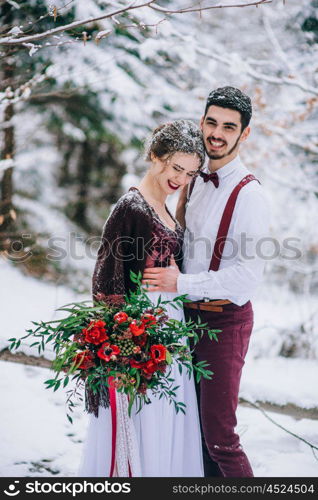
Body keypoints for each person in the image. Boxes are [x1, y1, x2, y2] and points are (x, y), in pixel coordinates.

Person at [142, 87, 270, 477]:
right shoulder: (192, 177)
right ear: (202, 122)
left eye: (229, 127)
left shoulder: (250, 195)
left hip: (224, 322)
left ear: (243, 135)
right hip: (184, 321)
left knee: (220, 437)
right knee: (191, 432)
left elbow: (248, 277)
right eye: (211, 122)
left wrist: (180, 283)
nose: (217, 133)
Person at [78, 120, 206, 477]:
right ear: (155, 155)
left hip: (171, 329)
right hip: (141, 332)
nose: (181, 178)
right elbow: (106, 280)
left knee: (168, 420)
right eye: (177, 167)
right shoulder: (131, 208)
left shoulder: (167, 210)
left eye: (190, 172)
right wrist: (120, 342)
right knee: (144, 419)